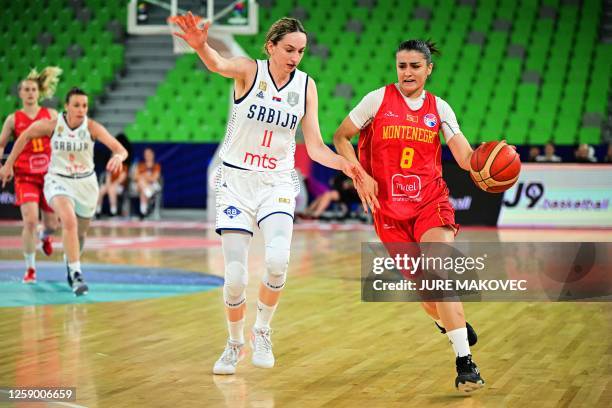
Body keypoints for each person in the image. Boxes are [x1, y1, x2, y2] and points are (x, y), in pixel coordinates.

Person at [173, 12, 363, 374]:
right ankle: (233, 343)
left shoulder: (306, 86)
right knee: (234, 277)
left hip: (276, 181)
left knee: (277, 261)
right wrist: (200, 46)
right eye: (289, 49)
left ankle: (262, 330)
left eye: (301, 51)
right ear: (271, 47)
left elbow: (316, 145)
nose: (295, 57)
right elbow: (218, 63)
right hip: (236, 181)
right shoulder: (249, 70)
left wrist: (345, 165)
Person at [333, 40, 485, 392]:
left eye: (415, 66)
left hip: (430, 202)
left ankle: (465, 364)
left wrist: (483, 162)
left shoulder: (439, 108)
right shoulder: (376, 100)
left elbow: (464, 156)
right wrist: (359, 172)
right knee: (428, 297)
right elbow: (341, 138)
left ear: (428, 69)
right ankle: (450, 323)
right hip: (388, 210)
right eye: (402, 66)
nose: (407, 73)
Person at [0, 88, 128, 296]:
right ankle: (76, 274)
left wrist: (118, 157)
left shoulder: (92, 127)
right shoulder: (53, 125)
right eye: (76, 105)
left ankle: (71, 261)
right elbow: (24, 137)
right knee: (68, 220)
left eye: (84, 106)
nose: (81, 110)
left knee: (81, 233)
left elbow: (120, 149)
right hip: (58, 180)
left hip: (86, 183)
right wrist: (8, 165)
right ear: (66, 107)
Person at [0, 67, 62, 283]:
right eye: (25, 89)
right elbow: (1, 145)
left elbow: (63, 142)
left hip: (49, 177)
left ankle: (46, 236)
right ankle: (30, 268)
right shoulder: (12, 119)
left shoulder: (51, 115)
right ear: (20, 93)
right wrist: (3, 165)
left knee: (52, 224)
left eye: (33, 89)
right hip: (25, 176)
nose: (29, 93)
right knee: (30, 221)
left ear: (39, 92)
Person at [135, 147, 161, 217]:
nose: (147, 156)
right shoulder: (140, 165)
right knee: (142, 185)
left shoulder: (156, 166)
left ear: (153, 155)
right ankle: (149, 196)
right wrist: (145, 177)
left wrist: (143, 176)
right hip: (143, 186)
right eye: (146, 154)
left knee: (142, 187)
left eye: (149, 154)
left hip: (152, 186)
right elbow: (136, 177)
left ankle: (143, 212)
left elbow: (154, 178)